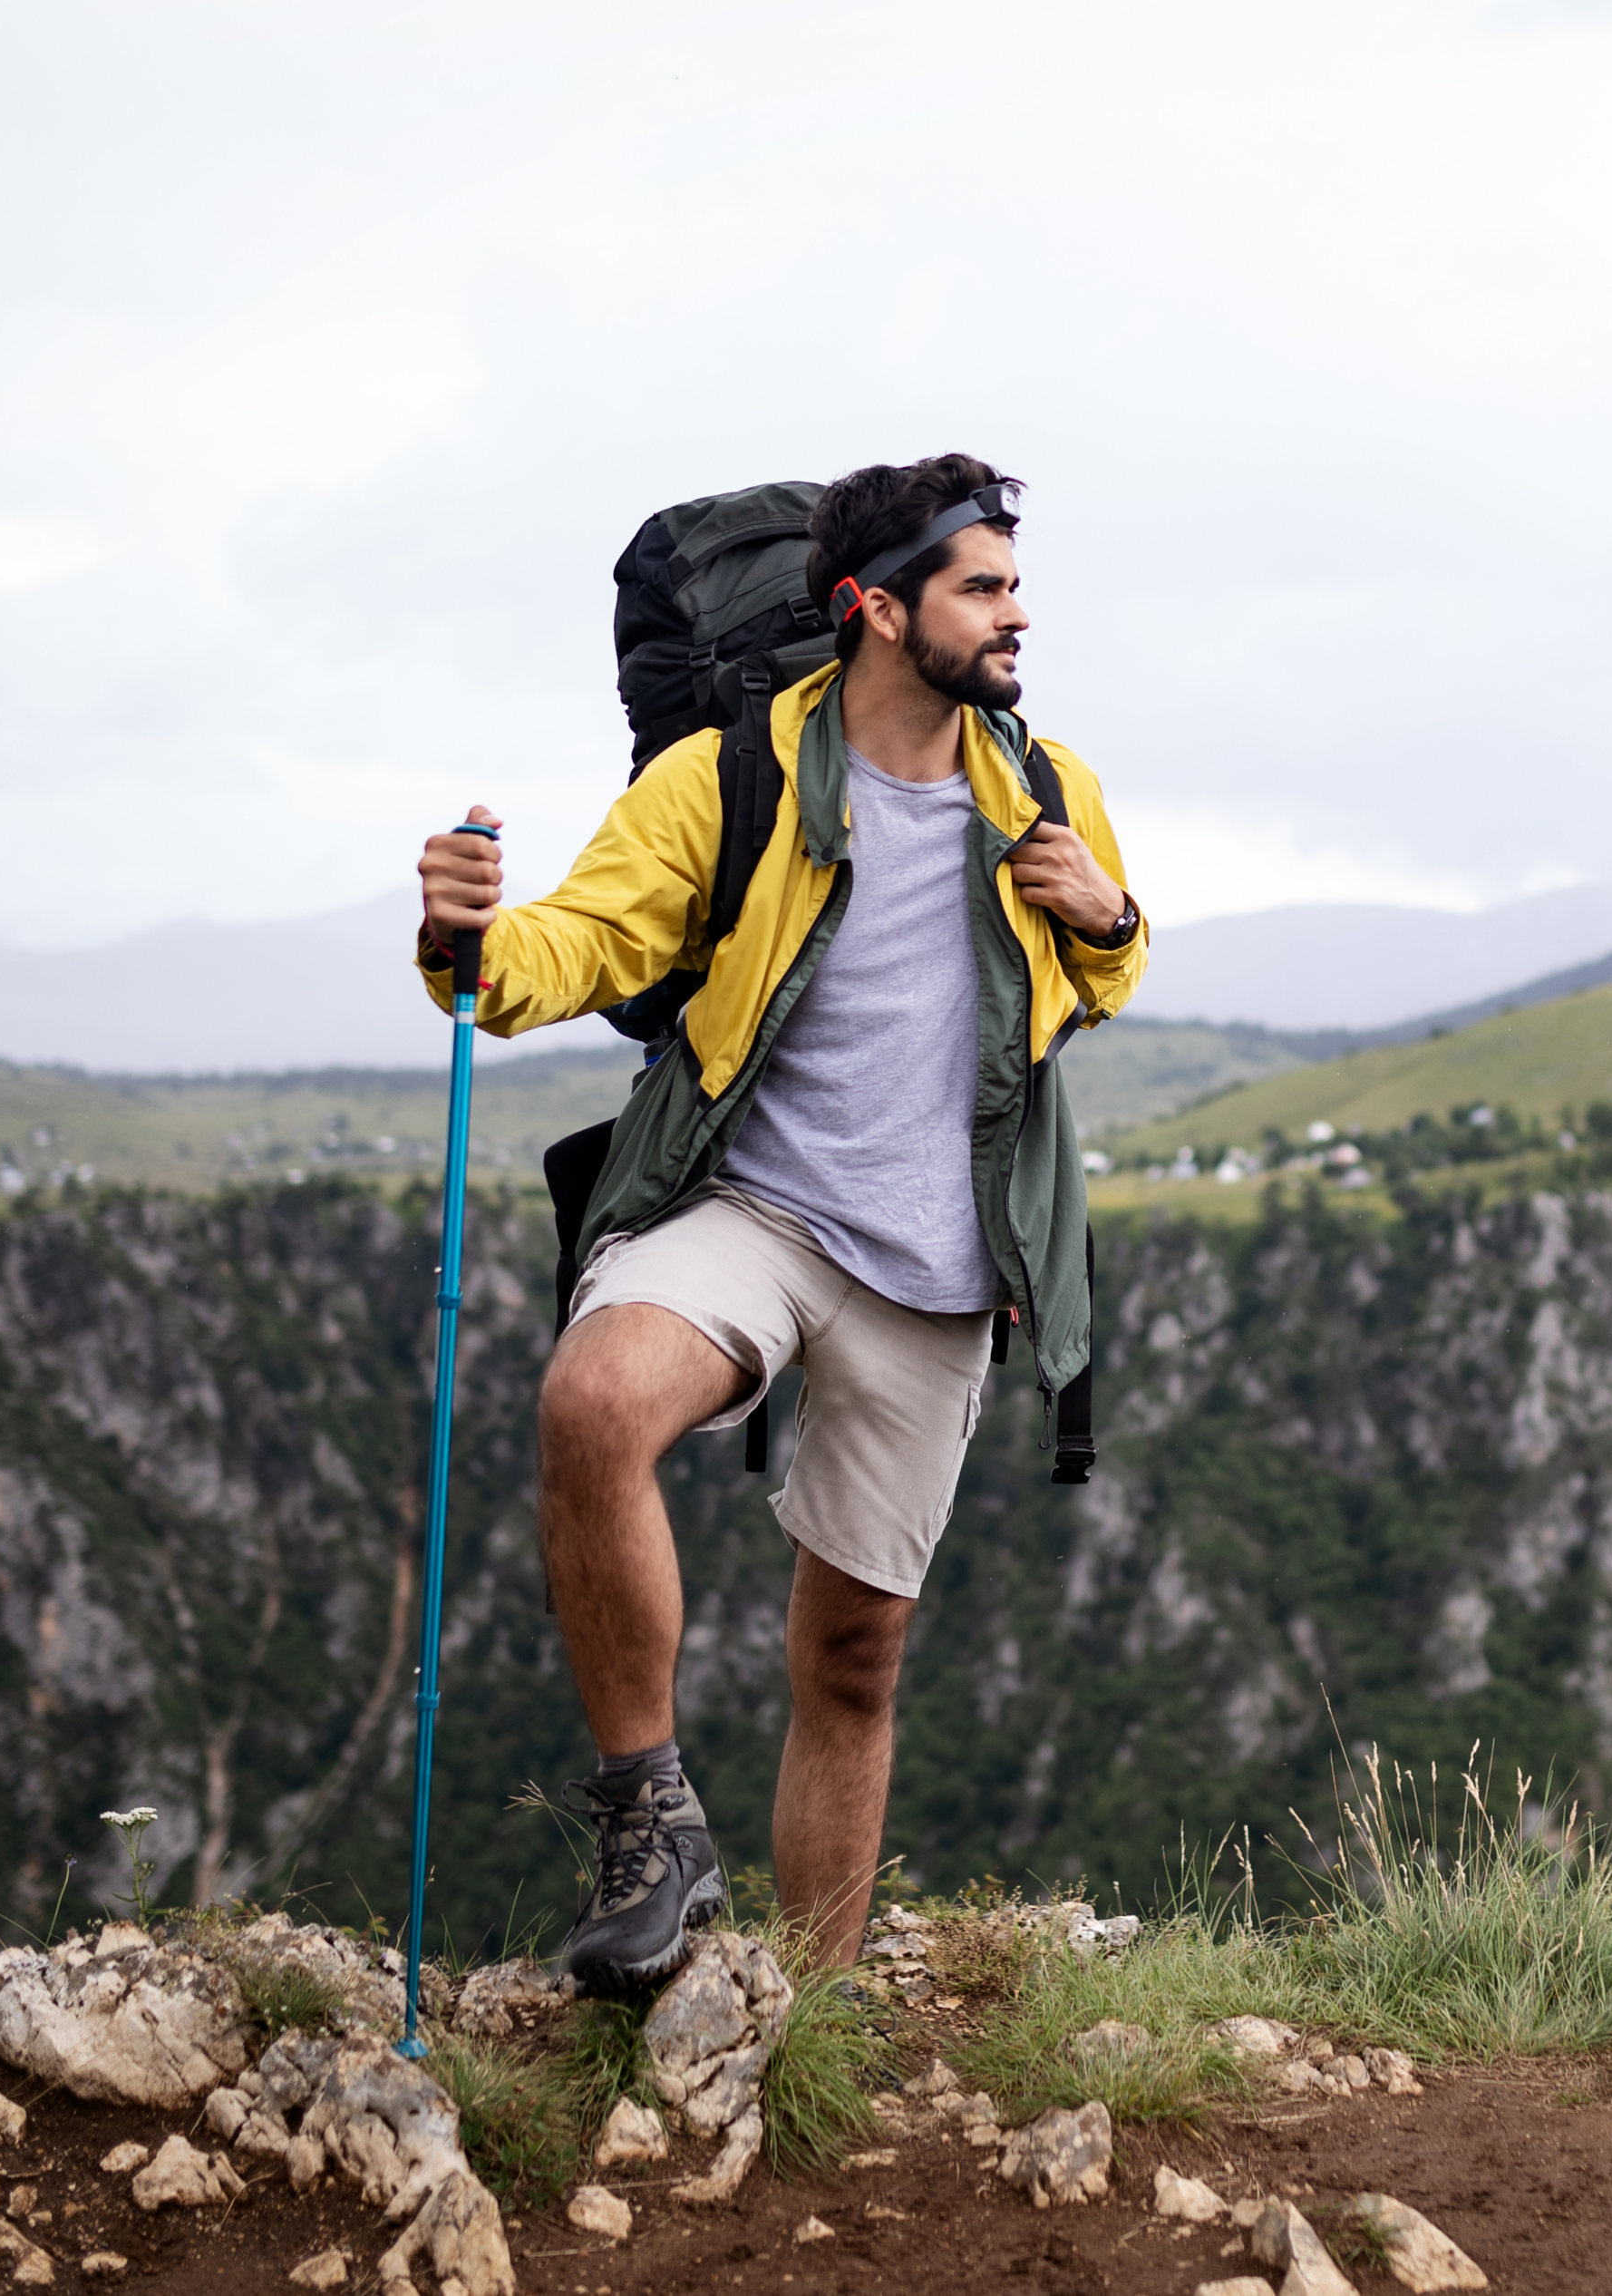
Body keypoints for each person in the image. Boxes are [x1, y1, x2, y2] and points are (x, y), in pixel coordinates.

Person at [415, 453, 1147, 1992]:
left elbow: (1088, 980)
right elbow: (581, 940)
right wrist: (466, 940)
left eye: (1015, 581)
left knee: (854, 1662)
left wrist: (1112, 921)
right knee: (594, 1396)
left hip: (942, 1267)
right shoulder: (730, 780)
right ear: (876, 609)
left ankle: (805, 2013)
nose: (1020, 613)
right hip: (751, 1205)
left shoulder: (1050, 788)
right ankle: (648, 1819)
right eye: (984, 586)